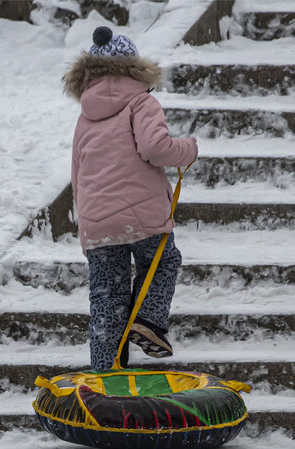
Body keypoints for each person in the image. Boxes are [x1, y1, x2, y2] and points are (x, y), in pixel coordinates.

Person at [64, 26, 198, 371]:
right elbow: (155, 148)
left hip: (97, 222)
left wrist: (85, 229)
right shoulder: (142, 101)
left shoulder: (85, 115)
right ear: (132, 68)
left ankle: (105, 372)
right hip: (142, 215)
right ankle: (148, 322)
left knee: (107, 295)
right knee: (163, 261)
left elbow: (77, 174)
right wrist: (188, 150)